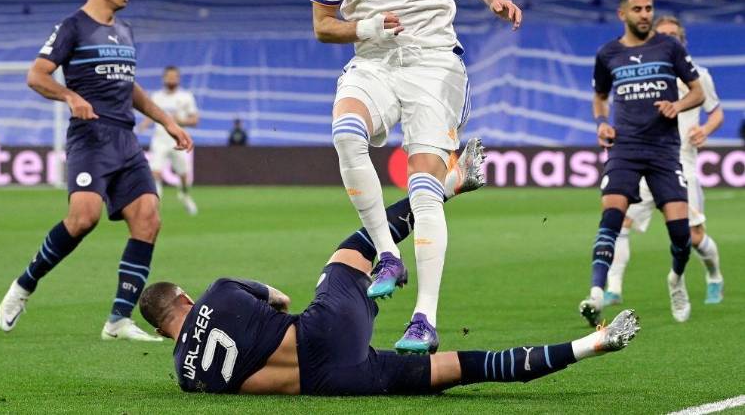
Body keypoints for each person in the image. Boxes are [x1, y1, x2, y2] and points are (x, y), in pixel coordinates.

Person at [138, 142, 639, 396]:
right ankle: (451, 183)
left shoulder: (186, 377)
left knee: (459, 369)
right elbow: (281, 300)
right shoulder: (219, 293)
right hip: (322, 331)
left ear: (164, 333)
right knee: (351, 248)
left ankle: (594, 343)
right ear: (183, 297)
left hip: (335, 381)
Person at [309, 0, 522, 353]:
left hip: (433, 64)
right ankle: (387, 252)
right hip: (374, 62)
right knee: (345, 132)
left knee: (424, 187)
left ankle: (424, 317)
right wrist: (366, 26)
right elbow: (322, 26)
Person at [0, 0, 193, 341]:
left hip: (125, 139)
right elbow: (36, 75)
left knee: (149, 218)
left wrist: (166, 121)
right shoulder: (73, 27)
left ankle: (118, 320)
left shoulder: (125, 30)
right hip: (90, 138)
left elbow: (128, 85)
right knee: (84, 217)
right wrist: (69, 96)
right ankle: (23, 286)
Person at [579, 0, 704, 326]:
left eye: (649, 8)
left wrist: (677, 105)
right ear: (623, 14)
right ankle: (595, 293)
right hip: (626, 148)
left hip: (664, 150)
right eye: (638, 10)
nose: (646, 15)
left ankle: (676, 280)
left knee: (681, 234)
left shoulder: (669, 47)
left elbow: (698, 92)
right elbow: (600, 97)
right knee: (612, 215)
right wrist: (602, 123)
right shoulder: (608, 54)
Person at [605, 17, 725, 305]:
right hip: (644, 157)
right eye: (664, 35)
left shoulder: (699, 75)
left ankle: (714, 277)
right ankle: (613, 289)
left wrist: (705, 130)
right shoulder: (642, 73)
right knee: (622, 223)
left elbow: (717, 112)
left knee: (693, 236)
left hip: (681, 163)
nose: (670, 39)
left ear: (682, 39)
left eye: (675, 35)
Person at [139, 66, 200, 215]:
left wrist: (180, 121)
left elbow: (195, 120)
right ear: (164, 78)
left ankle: (185, 195)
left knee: (184, 174)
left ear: (178, 79)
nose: (171, 79)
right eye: (169, 76)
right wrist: (143, 125)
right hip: (159, 139)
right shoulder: (157, 96)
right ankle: (155, 205)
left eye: (174, 77)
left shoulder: (186, 97)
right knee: (155, 172)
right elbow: (150, 114)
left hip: (177, 141)